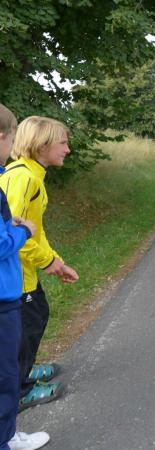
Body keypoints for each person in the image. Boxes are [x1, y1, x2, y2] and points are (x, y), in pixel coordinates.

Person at [1, 116, 79, 414]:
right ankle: (20, 390)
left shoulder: (33, 175)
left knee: (36, 317)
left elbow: (37, 230)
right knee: (26, 328)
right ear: (41, 145)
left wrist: (55, 261)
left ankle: (26, 368)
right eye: (63, 143)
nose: (67, 149)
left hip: (26, 272)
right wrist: (47, 261)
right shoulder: (23, 177)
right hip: (15, 277)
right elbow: (14, 231)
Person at [0, 104, 50, 450]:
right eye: (10, 139)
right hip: (5, 294)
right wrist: (23, 231)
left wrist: (11, 226)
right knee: (6, 376)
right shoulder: (23, 177)